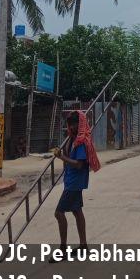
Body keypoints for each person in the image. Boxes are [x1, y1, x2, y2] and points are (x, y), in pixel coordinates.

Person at [52, 111, 100, 259]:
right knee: (77, 211)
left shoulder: (80, 142)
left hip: (74, 183)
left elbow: (79, 164)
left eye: (74, 124)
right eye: (70, 124)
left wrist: (62, 157)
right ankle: (83, 245)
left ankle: (63, 249)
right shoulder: (72, 139)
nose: (71, 127)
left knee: (59, 213)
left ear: (79, 125)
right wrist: (63, 152)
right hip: (71, 180)